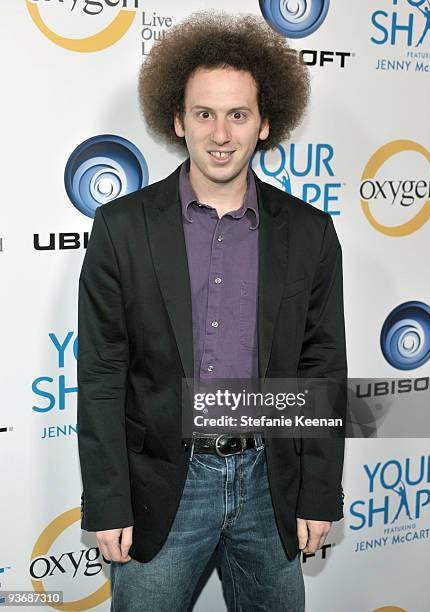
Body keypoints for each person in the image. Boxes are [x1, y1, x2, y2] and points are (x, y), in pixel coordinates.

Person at [77, 11, 347, 612]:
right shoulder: (121, 228)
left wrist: (319, 493)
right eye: (204, 113)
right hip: (160, 486)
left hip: (269, 481)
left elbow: (321, 365)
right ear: (178, 120)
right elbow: (101, 372)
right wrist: (108, 501)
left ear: (265, 122)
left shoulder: (309, 232)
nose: (220, 133)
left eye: (238, 114)